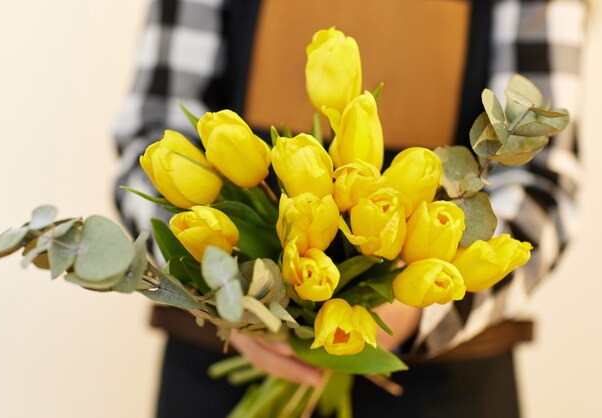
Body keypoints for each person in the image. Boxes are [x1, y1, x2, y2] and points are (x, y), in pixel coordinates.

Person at [113, 0, 585, 417]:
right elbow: (152, 137)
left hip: (446, 387)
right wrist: (222, 300)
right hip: (214, 368)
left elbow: (544, 179)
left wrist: (422, 305)